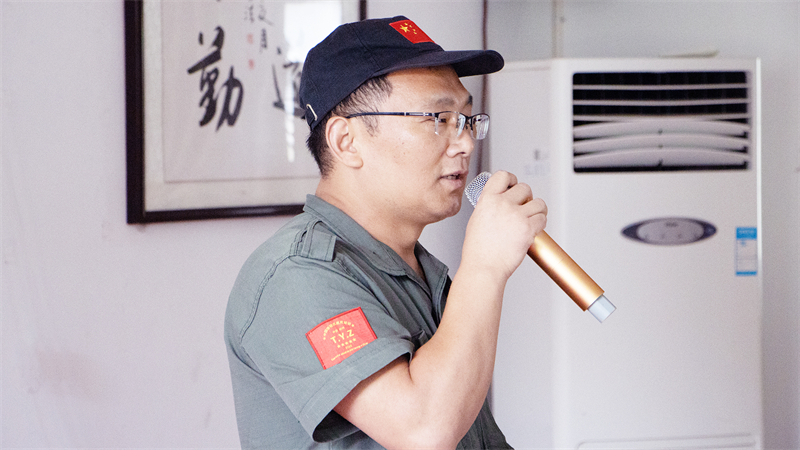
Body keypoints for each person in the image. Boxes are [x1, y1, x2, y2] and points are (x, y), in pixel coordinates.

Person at [224, 15, 547, 449]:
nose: (466, 143)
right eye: (438, 118)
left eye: (467, 119)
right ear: (346, 141)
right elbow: (423, 431)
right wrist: (485, 267)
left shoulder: (417, 270)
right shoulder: (295, 276)